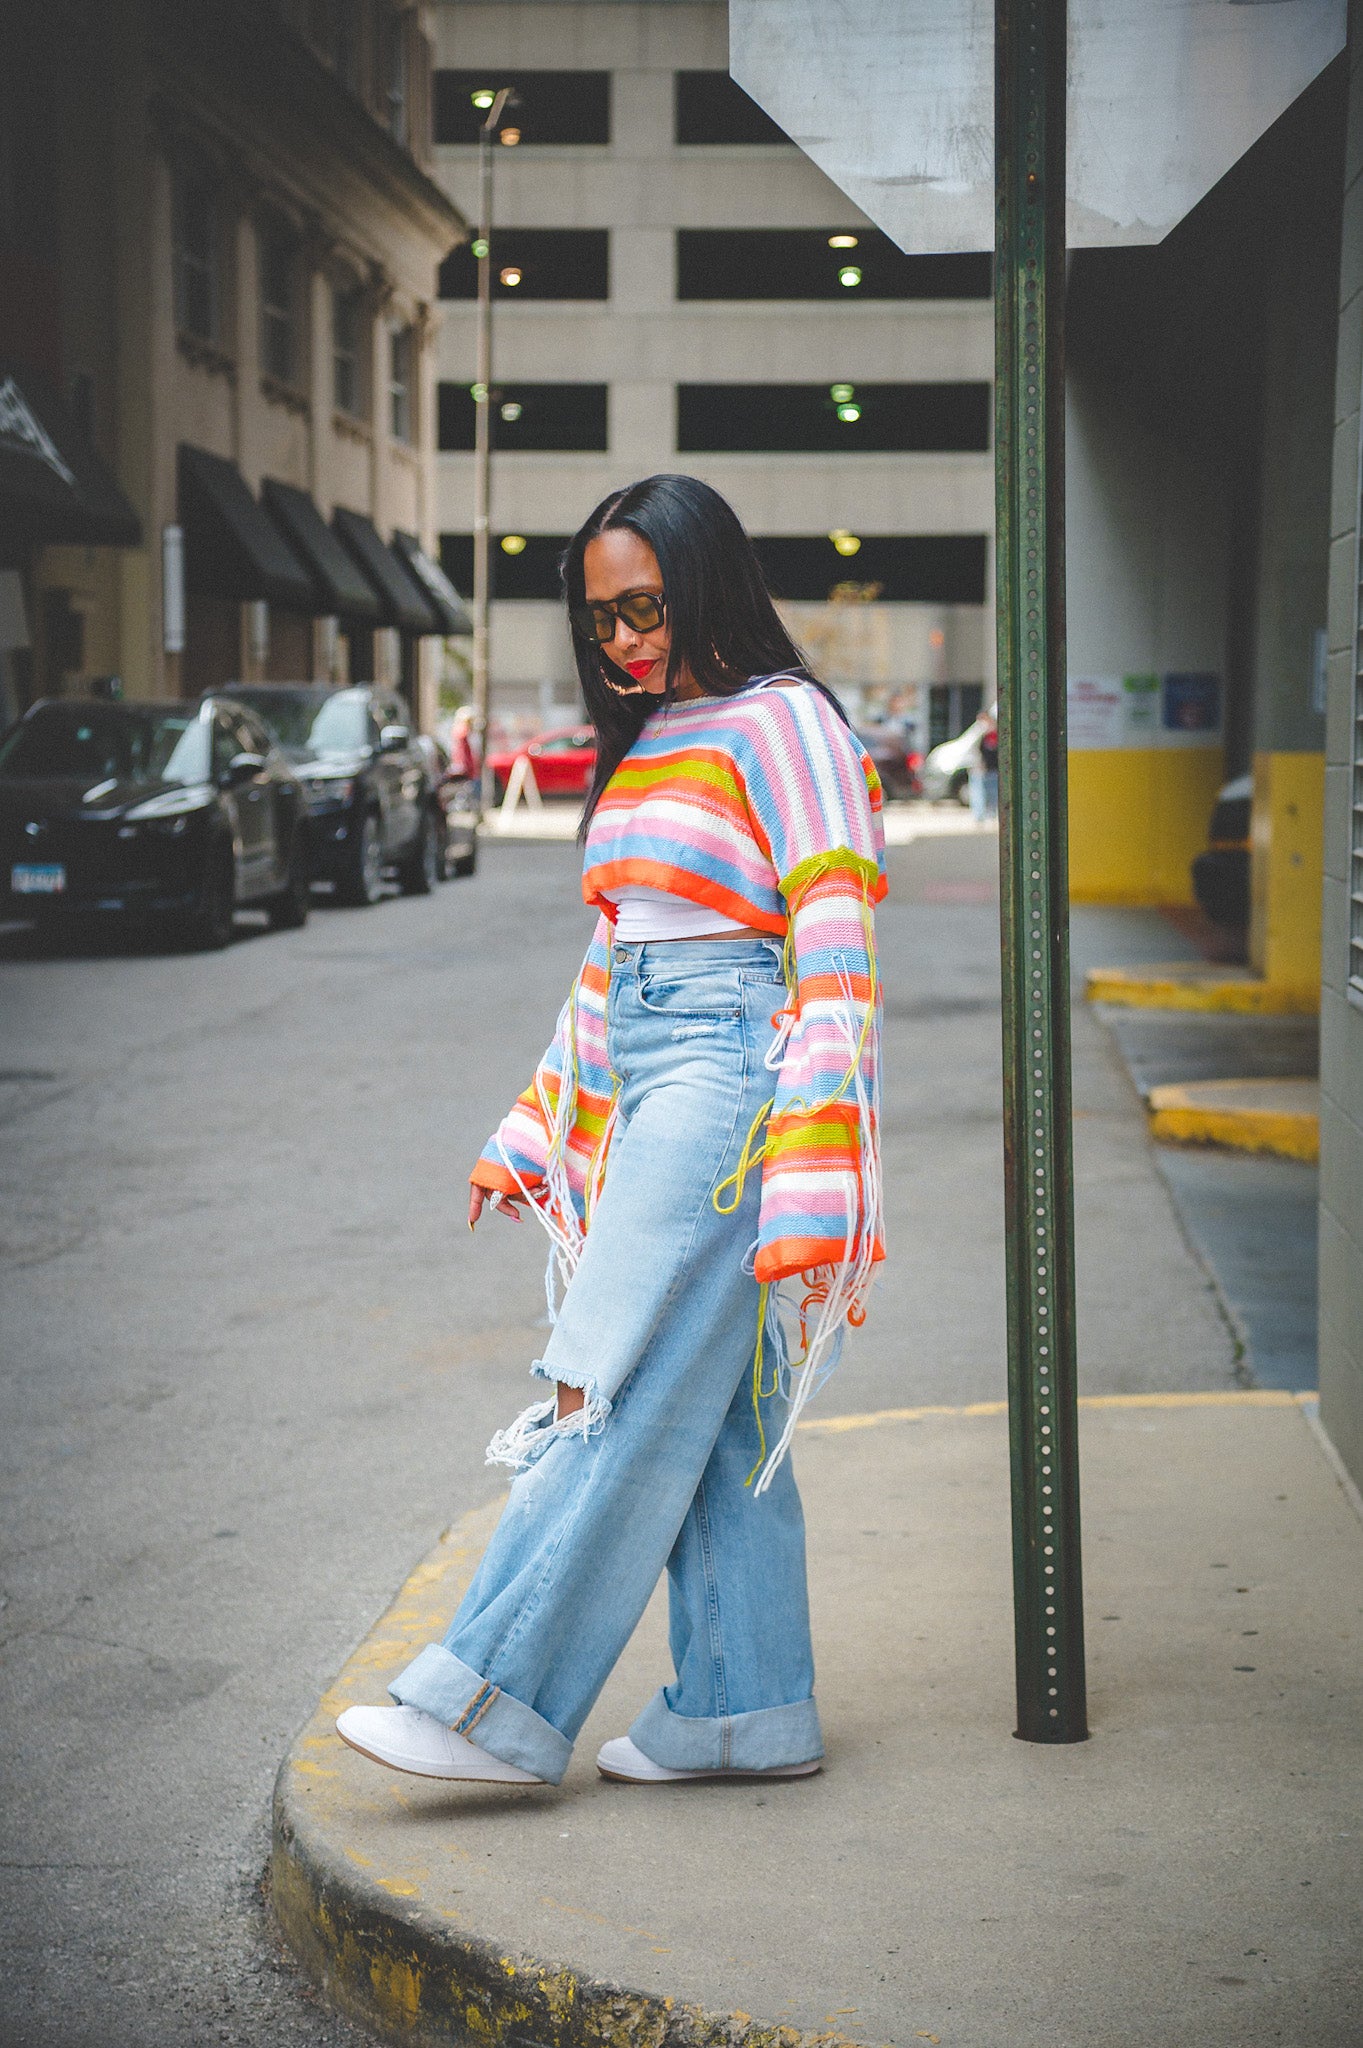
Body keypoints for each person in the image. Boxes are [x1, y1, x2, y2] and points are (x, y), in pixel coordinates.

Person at [336, 475, 885, 1789]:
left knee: (615, 1382)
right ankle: (745, 1709)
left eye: (646, 606)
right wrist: (536, 1122)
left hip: (730, 1076)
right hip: (662, 1063)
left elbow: (835, 932)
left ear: (707, 582)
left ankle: (490, 1706)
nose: (628, 640)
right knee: (714, 1415)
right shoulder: (663, 732)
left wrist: (819, 1144)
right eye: (604, 621)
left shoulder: (785, 722)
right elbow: (614, 958)